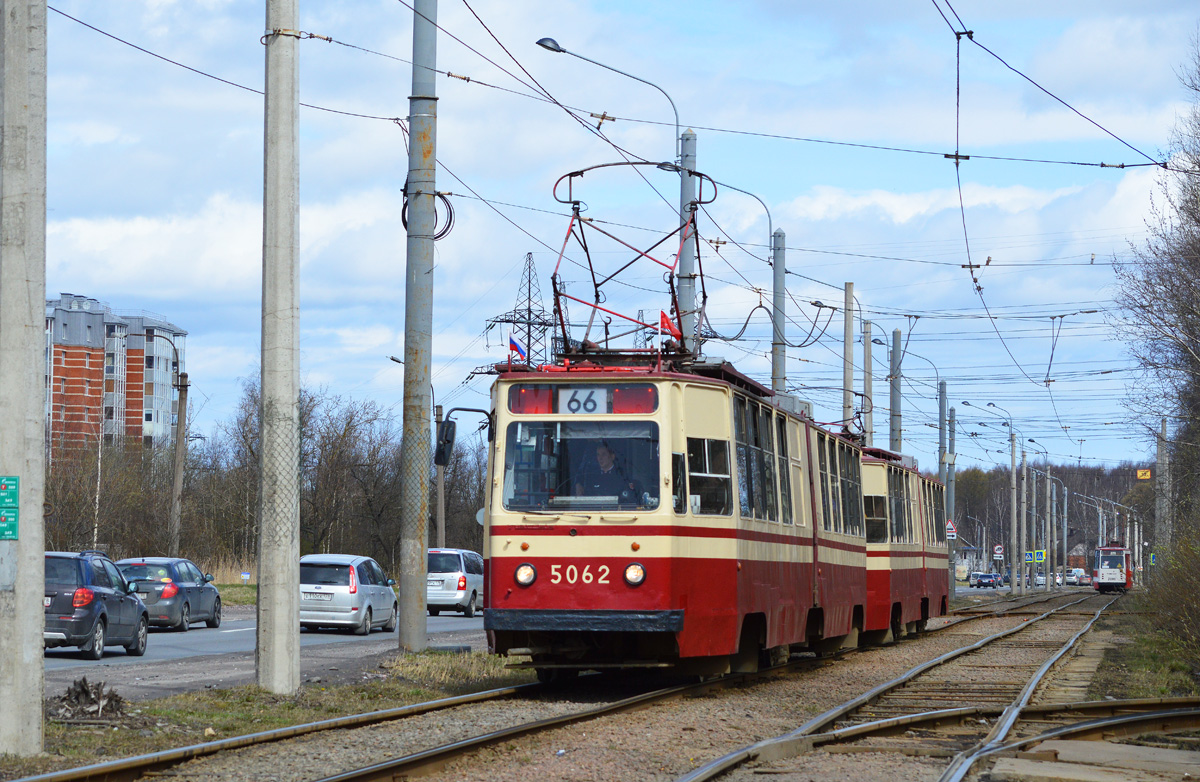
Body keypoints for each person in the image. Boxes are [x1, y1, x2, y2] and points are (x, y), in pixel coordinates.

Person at [574, 442, 639, 499]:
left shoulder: (622, 476)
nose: (600, 458)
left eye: (603, 454)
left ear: (612, 456)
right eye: (598, 455)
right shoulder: (592, 477)